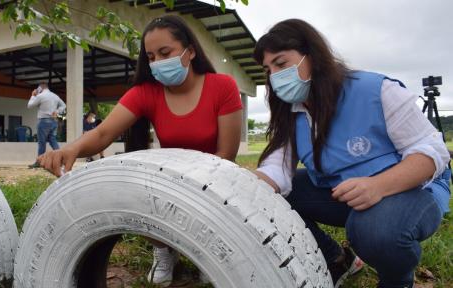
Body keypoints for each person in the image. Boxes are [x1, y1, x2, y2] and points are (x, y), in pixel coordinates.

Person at [38, 15, 243, 286]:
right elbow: (102, 133)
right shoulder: (147, 92)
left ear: (190, 51)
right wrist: (72, 149)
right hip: (171, 183)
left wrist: (191, 194)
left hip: (214, 183)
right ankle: (163, 248)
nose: (157, 62)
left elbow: (226, 154)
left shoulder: (223, 86)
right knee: (128, 192)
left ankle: (207, 250)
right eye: (151, 56)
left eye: (165, 52)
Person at [253, 19, 450, 288]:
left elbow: (432, 151)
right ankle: (335, 259)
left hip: (411, 189)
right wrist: (251, 190)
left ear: (311, 56)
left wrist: (378, 186)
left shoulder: (375, 90)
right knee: (269, 198)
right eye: (268, 69)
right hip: (347, 191)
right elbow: (278, 165)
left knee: (375, 232)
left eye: (281, 63)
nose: (275, 76)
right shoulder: (292, 109)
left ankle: (398, 281)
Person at [27, 83, 66, 168]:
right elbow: (63, 105)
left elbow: (29, 105)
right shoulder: (55, 96)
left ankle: (39, 162)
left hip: (43, 121)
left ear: (40, 88)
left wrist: (33, 95)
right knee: (53, 140)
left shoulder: (40, 96)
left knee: (42, 142)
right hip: (53, 121)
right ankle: (61, 159)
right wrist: (57, 111)